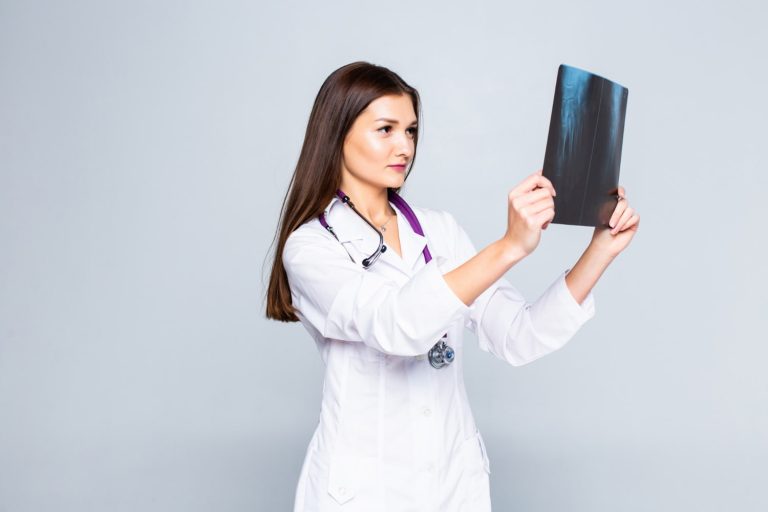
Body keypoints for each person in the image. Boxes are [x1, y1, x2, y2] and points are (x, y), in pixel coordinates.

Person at [265, 61, 639, 512]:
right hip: (365, 492)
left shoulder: (439, 230)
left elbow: (519, 336)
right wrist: (509, 247)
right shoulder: (311, 247)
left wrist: (600, 250)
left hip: (451, 485)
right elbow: (395, 325)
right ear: (337, 134)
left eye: (411, 131)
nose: (404, 146)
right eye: (385, 130)